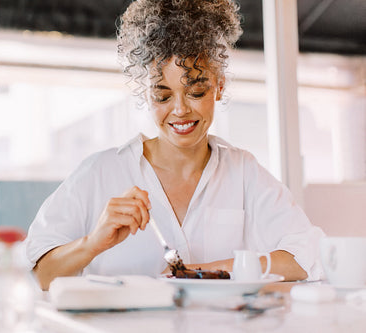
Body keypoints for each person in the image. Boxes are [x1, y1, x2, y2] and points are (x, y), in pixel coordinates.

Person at [25, 0, 324, 290]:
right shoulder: (100, 173)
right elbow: (39, 274)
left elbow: (307, 256)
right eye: (163, 96)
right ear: (145, 92)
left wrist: (196, 274)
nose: (180, 110)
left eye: (195, 90)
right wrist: (92, 243)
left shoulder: (243, 172)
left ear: (219, 85)